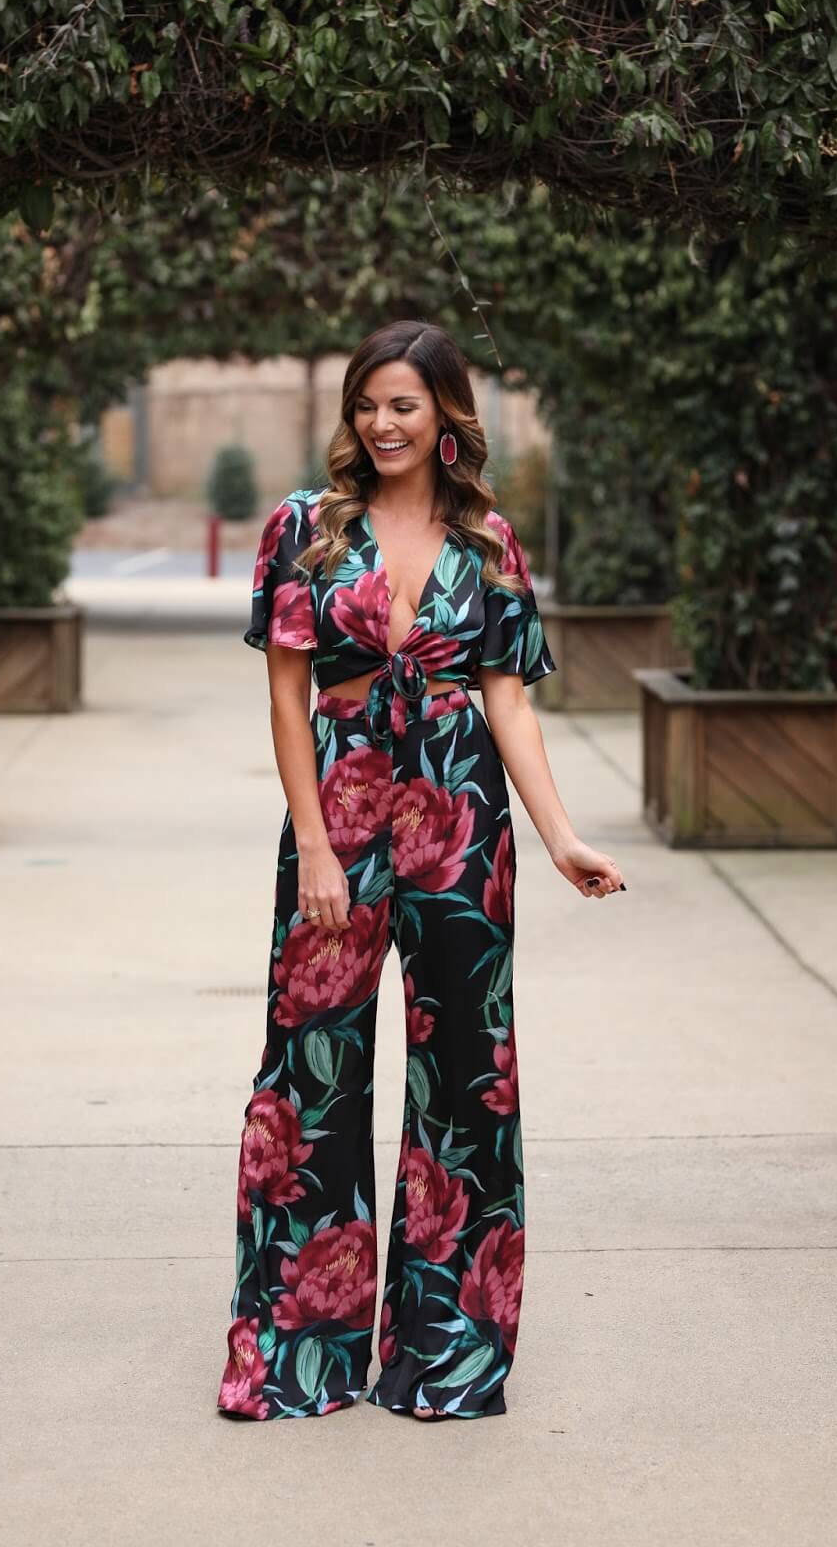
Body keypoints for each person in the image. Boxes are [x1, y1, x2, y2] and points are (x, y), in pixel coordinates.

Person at [217, 320, 625, 1423]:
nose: (382, 422)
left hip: (460, 819)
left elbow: (510, 702)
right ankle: (298, 1349)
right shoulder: (305, 529)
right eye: (367, 403)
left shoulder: (489, 543)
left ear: (447, 411)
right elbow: (287, 699)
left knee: (466, 1086)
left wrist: (558, 835)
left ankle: (447, 1352)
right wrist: (311, 840)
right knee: (311, 1077)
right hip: (340, 814)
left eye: (405, 403)